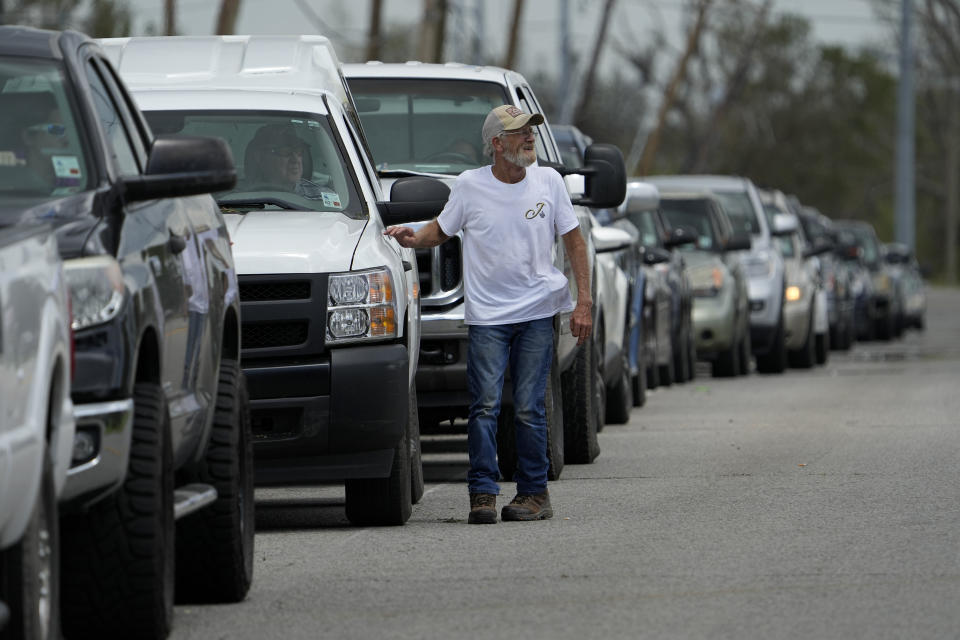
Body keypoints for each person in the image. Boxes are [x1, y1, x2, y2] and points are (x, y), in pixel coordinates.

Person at [384, 104, 593, 524]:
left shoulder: (548, 182)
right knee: (484, 406)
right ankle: (483, 494)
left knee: (529, 407)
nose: (530, 138)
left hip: (537, 311)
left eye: (531, 131)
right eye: (519, 133)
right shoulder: (469, 186)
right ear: (497, 144)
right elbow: (442, 230)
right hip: (488, 319)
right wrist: (413, 237)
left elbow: (574, 242)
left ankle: (534, 494)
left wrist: (583, 300)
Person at [244, 123, 326, 199]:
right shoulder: (239, 198)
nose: (295, 160)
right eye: (285, 151)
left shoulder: (321, 199)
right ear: (259, 157)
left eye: (298, 151)